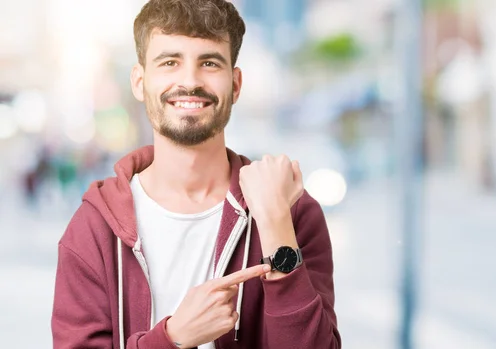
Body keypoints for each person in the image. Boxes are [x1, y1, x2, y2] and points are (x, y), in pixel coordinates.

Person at [50, 0, 341, 348]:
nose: (189, 80)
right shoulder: (94, 228)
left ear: (235, 84)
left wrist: (276, 223)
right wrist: (172, 338)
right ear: (140, 82)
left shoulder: (292, 212)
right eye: (170, 62)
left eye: (209, 63)